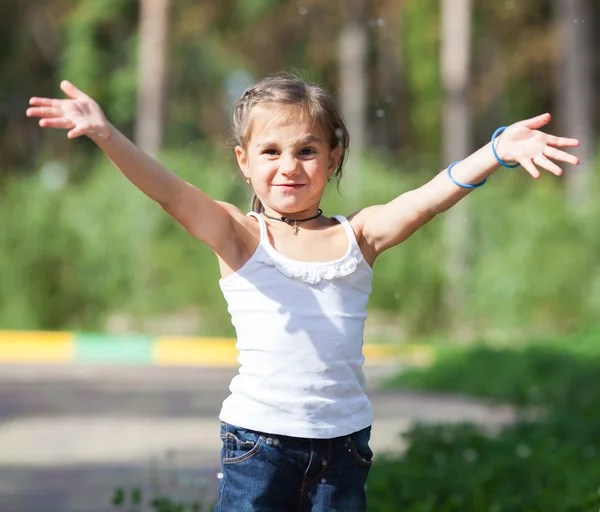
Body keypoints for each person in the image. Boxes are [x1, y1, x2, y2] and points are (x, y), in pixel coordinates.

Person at [27, 74, 580, 511]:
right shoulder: (241, 236)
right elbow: (169, 192)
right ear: (243, 162)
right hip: (258, 448)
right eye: (270, 152)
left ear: (333, 157)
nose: (288, 166)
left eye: (307, 151)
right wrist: (106, 133)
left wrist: (498, 149)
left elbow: (428, 198)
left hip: (343, 449)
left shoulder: (358, 236)